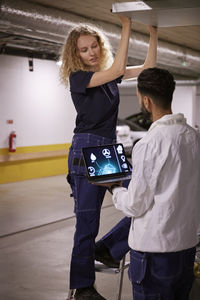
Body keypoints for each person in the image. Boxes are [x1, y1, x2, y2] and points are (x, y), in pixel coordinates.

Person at [59, 13, 157, 300]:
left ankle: (108, 248)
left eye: (94, 46)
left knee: (143, 201)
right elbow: (117, 70)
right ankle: (82, 288)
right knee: (86, 223)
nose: (91, 52)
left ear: (101, 46)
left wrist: (152, 32)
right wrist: (126, 25)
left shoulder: (108, 78)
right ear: (75, 54)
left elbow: (148, 67)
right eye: (84, 49)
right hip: (88, 148)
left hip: (107, 150)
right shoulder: (79, 79)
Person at [102, 67, 200, 300]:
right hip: (186, 248)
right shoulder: (193, 137)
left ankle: (104, 249)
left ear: (146, 101)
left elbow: (135, 205)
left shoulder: (149, 144)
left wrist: (114, 189)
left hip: (154, 254)